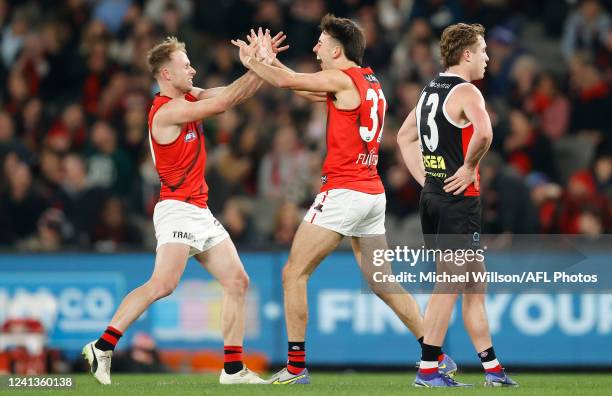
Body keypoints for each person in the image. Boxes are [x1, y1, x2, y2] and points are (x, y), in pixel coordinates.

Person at [235, 15, 455, 385]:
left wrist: (253, 63)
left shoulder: (340, 79)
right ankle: (435, 355)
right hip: (371, 194)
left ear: (337, 49)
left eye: (321, 43)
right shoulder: (369, 82)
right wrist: (270, 63)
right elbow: (303, 88)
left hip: (344, 192)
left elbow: (292, 82)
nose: (316, 48)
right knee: (384, 282)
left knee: (293, 274)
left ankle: (295, 366)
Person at [82, 33, 283, 385]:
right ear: (166, 75)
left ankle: (233, 369)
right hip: (176, 209)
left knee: (237, 281)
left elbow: (233, 95)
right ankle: (102, 346)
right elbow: (222, 106)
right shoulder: (167, 111)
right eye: (185, 64)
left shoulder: (189, 96)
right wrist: (256, 64)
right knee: (162, 284)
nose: (192, 68)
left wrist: (261, 65)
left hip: (199, 210)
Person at [397, 23, 518, 387]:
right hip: (458, 203)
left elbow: (405, 136)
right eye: (482, 50)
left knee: (473, 282)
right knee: (448, 285)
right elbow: (485, 132)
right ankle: (428, 369)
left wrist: (426, 179)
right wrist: (467, 167)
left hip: (434, 199)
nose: (486, 57)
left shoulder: (430, 89)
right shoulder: (467, 92)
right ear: (466, 54)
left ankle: (492, 369)